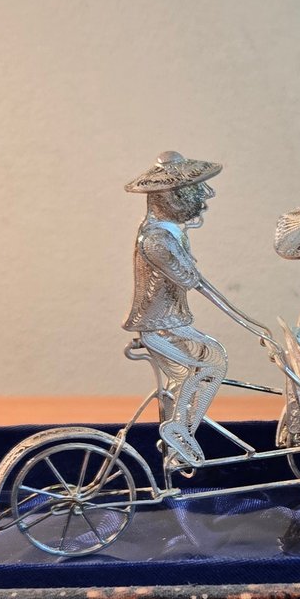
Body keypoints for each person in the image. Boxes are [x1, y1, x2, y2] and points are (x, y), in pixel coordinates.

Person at [123, 150, 271, 470]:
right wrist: (250, 324)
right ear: (171, 197)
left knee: (195, 373)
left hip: (170, 323)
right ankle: (180, 431)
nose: (204, 197)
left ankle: (178, 444)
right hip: (159, 326)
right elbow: (198, 283)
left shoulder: (169, 233)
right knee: (210, 362)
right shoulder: (157, 240)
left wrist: (253, 325)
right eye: (194, 191)